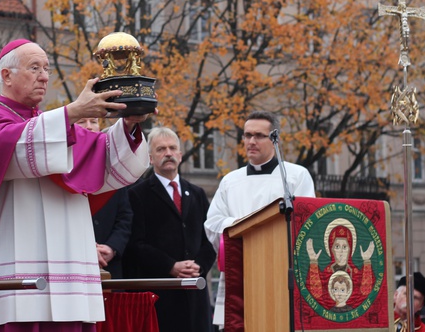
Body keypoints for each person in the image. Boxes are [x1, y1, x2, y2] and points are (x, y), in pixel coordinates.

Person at [0, 38, 151, 331]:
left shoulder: (56, 126)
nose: (44, 76)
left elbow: (109, 158)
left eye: (46, 68)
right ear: (6, 76)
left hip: (72, 263)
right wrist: (73, 112)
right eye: (34, 68)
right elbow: (18, 151)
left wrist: (131, 123)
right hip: (22, 259)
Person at [204, 110, 315, 325]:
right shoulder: (230, 181)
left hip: (281, 271)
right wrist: (241, 227)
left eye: (258, 136)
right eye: (247, 135)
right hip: (242, 272)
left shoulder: (295, 176)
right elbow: (212, 224)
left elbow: (306, 223)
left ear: (275, 139)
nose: (251, 141)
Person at [125, 126, 217, 332]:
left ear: (180, 155)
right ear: (150, 158)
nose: (168, 153)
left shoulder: (197, 194)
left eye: (172, 148)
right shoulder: (137, 194)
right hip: (161, 294)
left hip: (195, 294)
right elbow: (135, 245)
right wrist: (171, 266)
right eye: (160, 149)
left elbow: (210, 240)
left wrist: (199, 266)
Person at [76, 116, 132, 280]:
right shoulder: (60, 167)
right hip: (74, 263)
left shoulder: (112, 166)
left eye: (93, 122)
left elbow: (124, 216)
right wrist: (86, 246)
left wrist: (112, 247)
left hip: (110, 266)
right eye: (81, 122)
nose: (89, 127)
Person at [306, 218, 375, 309]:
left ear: (350, 249)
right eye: (337, 246)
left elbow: (365, 294)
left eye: (345, 247)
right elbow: (318, 295)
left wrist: (366, 262)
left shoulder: (356, 273)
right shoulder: (326, 273)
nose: (341, 252)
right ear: (331, 249)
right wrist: (313, 262)